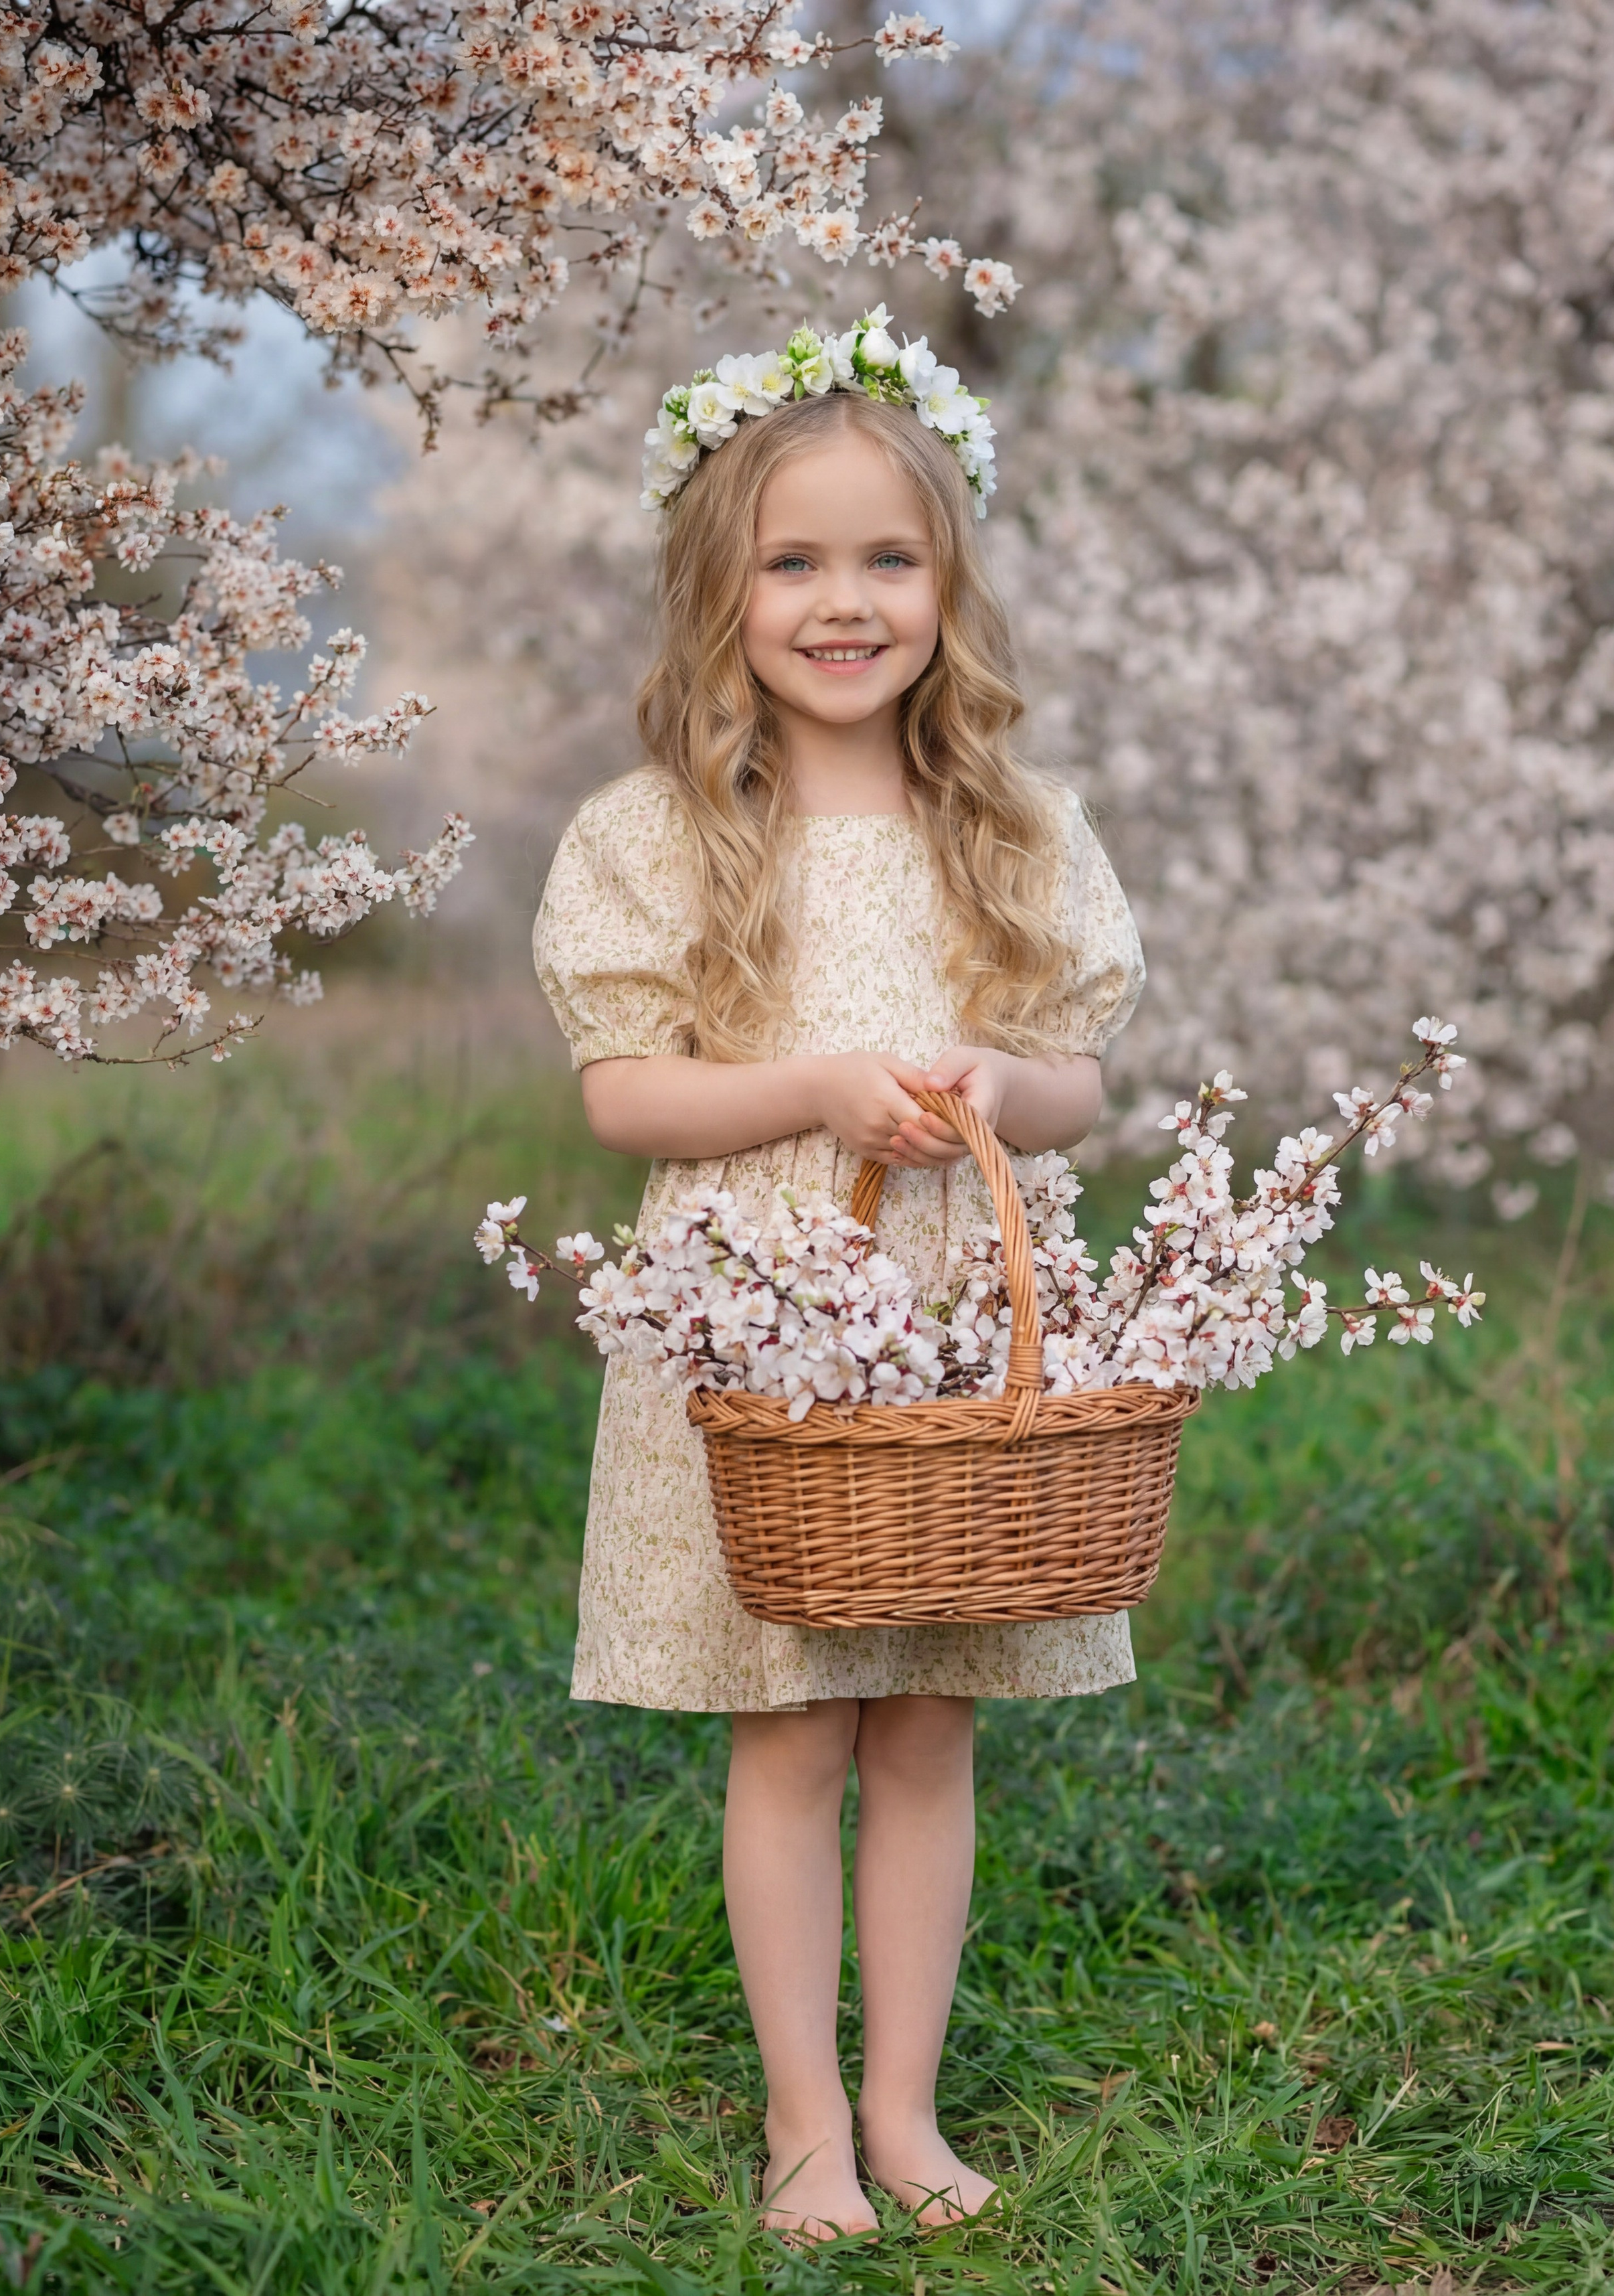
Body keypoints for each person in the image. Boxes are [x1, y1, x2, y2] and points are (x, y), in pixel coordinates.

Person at [533, 311, 1145, 2242]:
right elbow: (627, 1097)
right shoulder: (657, 837)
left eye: (889, 558)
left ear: (947, 583)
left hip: (957, 1311)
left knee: (931, 1716)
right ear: (723, 592)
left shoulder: (1015, 831)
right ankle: (805, 2119)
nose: (845, 601)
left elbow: (1082, 1091)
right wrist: (809, 1086)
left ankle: (907, 2106)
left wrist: (993, 1084)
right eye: (794, 562)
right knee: (794, 1723)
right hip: (765, 1320)